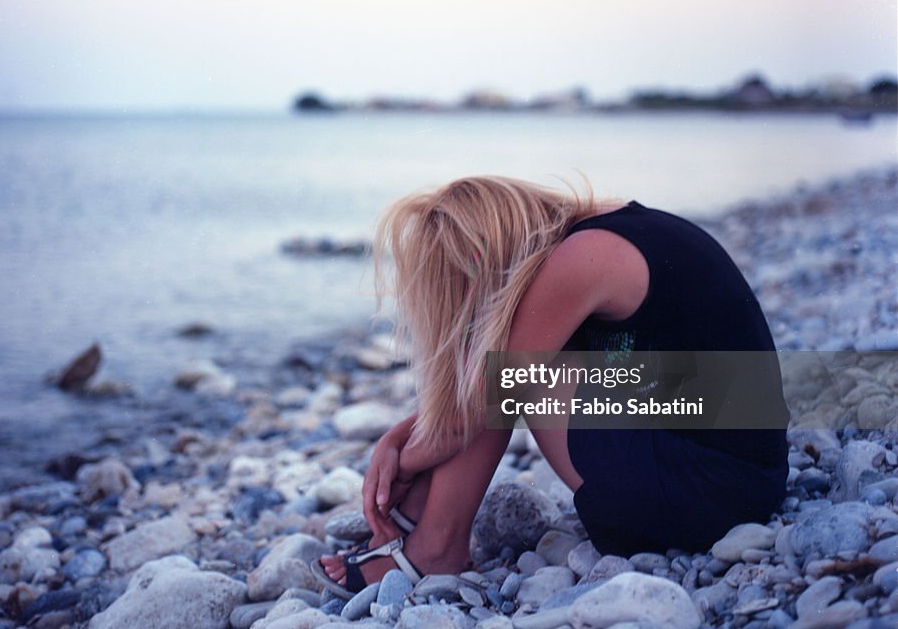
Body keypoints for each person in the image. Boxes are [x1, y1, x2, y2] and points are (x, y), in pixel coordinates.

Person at [315, 175, 789, 597]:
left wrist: (400, 463)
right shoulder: (604, 233)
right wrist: (401, 436)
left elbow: (489, 395)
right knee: (503, 369)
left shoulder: (581, 260)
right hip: (727, 467)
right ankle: (422, 522)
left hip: (715, 489)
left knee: (505, 369)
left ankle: (434, 544)